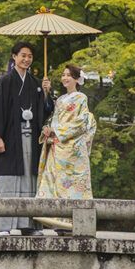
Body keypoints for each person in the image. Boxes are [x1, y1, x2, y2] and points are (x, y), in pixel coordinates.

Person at [0, 41, 51, 234]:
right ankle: (4, 225)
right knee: (9, 178)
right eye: (23, 55)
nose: (26, 59)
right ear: (14, 57)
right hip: (10, 137)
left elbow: (46, 111)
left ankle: (28, 225)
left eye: (30, 56)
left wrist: (46, 93)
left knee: (30, 177)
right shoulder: (6, 81)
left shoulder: (35, 84)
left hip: (31, 137)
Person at [35, 64, 97, 231]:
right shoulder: (61, 99)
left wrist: (57, 131)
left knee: (73, 185)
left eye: (69, 75)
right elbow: (54, 120)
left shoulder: (81, 98)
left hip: (72, 148)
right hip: (57, 145)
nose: (65, 78)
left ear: (77, 79)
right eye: (63, 75)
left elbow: (81, 122)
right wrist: (47, 129)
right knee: (54, 182)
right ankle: (56, 220)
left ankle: (72, 222)